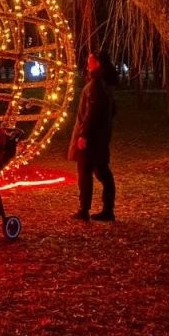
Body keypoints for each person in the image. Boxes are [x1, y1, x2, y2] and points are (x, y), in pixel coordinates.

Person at [67, 51, 118, 222]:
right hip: (98, 139)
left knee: (95, 173)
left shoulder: (97, 85)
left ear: (98, 64)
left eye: (91, 60)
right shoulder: (101, 84)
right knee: (94, 173)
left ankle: (100, 210)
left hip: (92, 141)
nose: (87, 62)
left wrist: (84, 135)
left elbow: (92, 112)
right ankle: (93, 210)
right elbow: (111, 112)